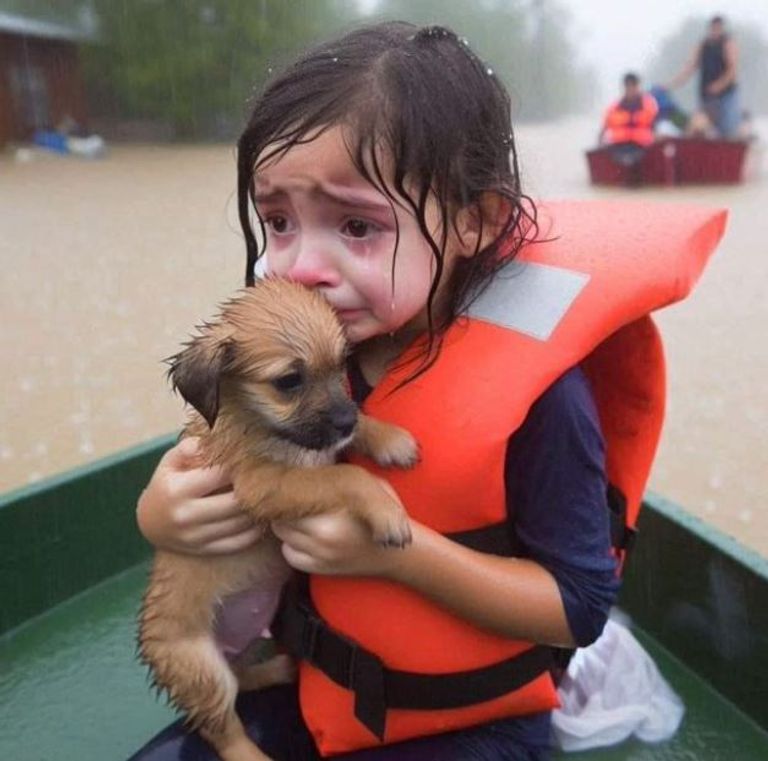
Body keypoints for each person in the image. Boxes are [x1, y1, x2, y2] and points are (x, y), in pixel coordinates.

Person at [128, 21, 715, 761]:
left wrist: (398, 556)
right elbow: (223, 457)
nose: (303, 264)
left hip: (470, 720)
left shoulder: (546, 398)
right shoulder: (303, 344)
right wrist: (162, 514)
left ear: (475, 219)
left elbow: (580, 607)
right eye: (276, 220)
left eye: (355, 224)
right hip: (315, 680)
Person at [666, 15, 740, 139]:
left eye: (718, 28)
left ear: (722, 28)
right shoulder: (703, 45)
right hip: (706, 95)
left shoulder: (728, 43)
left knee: (727, 129)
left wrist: (719, 85)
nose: (715, 31)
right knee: (698, 128)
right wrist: (671, 84)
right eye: (713, 28)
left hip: (726, 95)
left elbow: (733, 69)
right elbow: (690, 67)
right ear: (710, 28)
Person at [599, 72, 659, 149]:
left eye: (633, 85)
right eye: (627, 85)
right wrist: (600, 141)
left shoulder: (649, 104)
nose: (630, 88)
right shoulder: (614, 107)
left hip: (643, 145)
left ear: (638, 86)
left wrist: (657, 137)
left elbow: (655, 124)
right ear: (624, 87)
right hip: (617, 146)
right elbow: (604, 127)